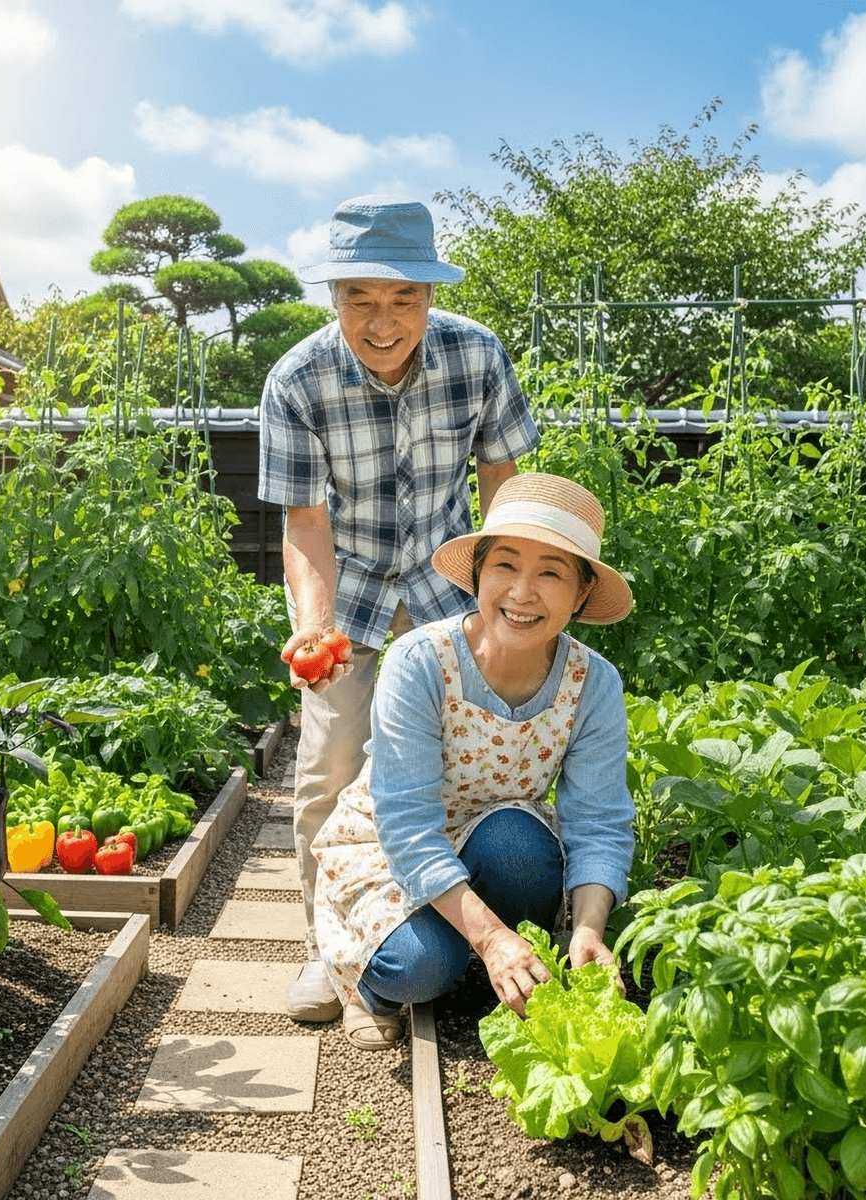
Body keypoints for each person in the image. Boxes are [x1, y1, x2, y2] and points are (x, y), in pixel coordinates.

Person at [258, 195, 541, 1023]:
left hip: (450, 584)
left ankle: (442, 926)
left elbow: (504, 490)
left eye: (402, 299)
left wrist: (507, 603)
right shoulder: (298, 380)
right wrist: (314, 626)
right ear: (334, 296)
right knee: (332, 767)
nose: (382, 322)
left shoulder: (477, 356)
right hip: (349, 596)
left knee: (465, 762)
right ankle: (330, 953)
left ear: (428, 294)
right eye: (360, 299)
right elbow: (304, 523)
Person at [309, 472, 635, 1049]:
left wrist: (588, 929)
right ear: (480, 572)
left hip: (494, 836)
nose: (522, 592)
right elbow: (407, 825)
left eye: (551, 573)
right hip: (390, 847)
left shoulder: (594, 684)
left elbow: (599, 822)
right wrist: (489, 940)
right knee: (418, 966)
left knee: (522, 852)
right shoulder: (420, 661)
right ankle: (379, 984)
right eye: (505, 565)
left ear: (583, 594)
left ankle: (472, 951)